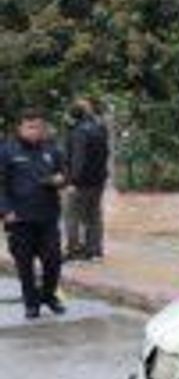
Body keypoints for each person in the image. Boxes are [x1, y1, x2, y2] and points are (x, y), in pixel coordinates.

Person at [0, 109, 69, 319]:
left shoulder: (52, 149)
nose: (35, 131)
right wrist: (5, 211)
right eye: (30, 127)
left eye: (39, 127)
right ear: (20, 128)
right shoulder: (7, 151)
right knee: (24, 264)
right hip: (19, 218)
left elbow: (64, 174)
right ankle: (31, 303)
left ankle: (48, 295)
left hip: (47, 216)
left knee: (54, 259)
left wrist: (60, 180)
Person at [64, 98, 110, 261]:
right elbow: (106, 153)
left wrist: (72, 181)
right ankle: (94, 250)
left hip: (81, 182)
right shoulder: (100, 128)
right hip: (98, 180)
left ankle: (74, 249)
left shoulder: (79, 132)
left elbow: (79, 158)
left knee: (72, 215)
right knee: (94, 215)